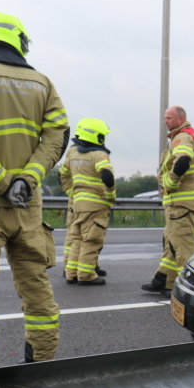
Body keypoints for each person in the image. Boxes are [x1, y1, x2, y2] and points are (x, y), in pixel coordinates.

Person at [0, 12, 69, 370]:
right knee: (37, 287)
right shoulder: (42, 82)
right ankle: (42, 365)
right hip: (27, 208)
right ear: (20, 41)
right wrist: (27, 180)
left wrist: (2, 183)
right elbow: (59, 136)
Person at [141, 106, 194, 296]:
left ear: (181, 119)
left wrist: (170, 183)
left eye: (169, 118)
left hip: (181, 203)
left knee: (183, 247)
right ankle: (164, 280)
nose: (165, 122)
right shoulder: (187, 135)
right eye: (165, 118)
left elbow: (183, 160)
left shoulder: (183, 137)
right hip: (180, 204)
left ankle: (189, 289)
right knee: (172, 244)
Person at [61, 119, 115, 286]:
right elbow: (107, 175)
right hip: (95, 205)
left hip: (78, 204)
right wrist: (110, 196)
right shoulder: (98, 155)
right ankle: (85, 275)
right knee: (91, 240)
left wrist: (73, 193)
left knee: (77, 239)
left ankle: (71, 273)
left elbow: (62, 174)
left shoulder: (73, 153)